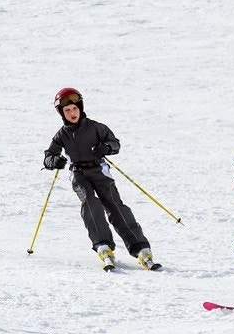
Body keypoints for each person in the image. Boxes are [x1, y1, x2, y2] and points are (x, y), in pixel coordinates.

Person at [42, 88, 158, 270]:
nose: (72, 113)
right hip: (79, 174)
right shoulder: (61, 135)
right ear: (62, 113)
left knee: (114, 204)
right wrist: (54, 160)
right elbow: (49, 155)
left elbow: (115, 143)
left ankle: (140, 248)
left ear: (80, 107)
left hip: (99, 170)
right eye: (67, 111)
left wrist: (105, 148)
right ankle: (103, 246)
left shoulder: (96, 127)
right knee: (90, 203)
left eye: (74, 109)